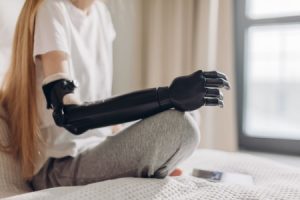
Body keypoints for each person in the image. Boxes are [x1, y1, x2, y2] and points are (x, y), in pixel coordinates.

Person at [0, 0, 229, 191]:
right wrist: (168, 95)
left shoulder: (100, 13)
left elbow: (98, 97)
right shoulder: (51, 8)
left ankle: (154, 165)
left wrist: (134, 131)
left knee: (187, 115)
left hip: (95, 143)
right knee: (180, 128)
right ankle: (155, 167)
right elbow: (70, 116)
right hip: (60, 164)